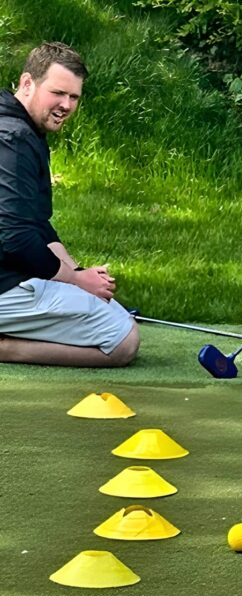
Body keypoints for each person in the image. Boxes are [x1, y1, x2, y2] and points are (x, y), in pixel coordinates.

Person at [0, 42, 139, 366]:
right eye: (58, 93)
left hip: (9, 271)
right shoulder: (13, 140)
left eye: (74, 97)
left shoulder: (20, 128)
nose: (66, 105)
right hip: (4, 282)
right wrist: (76, 281)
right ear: (27, 83)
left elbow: (34, 222)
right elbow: (16, 237)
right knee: (121, 340)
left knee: (104, 307)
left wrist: (78, 272)